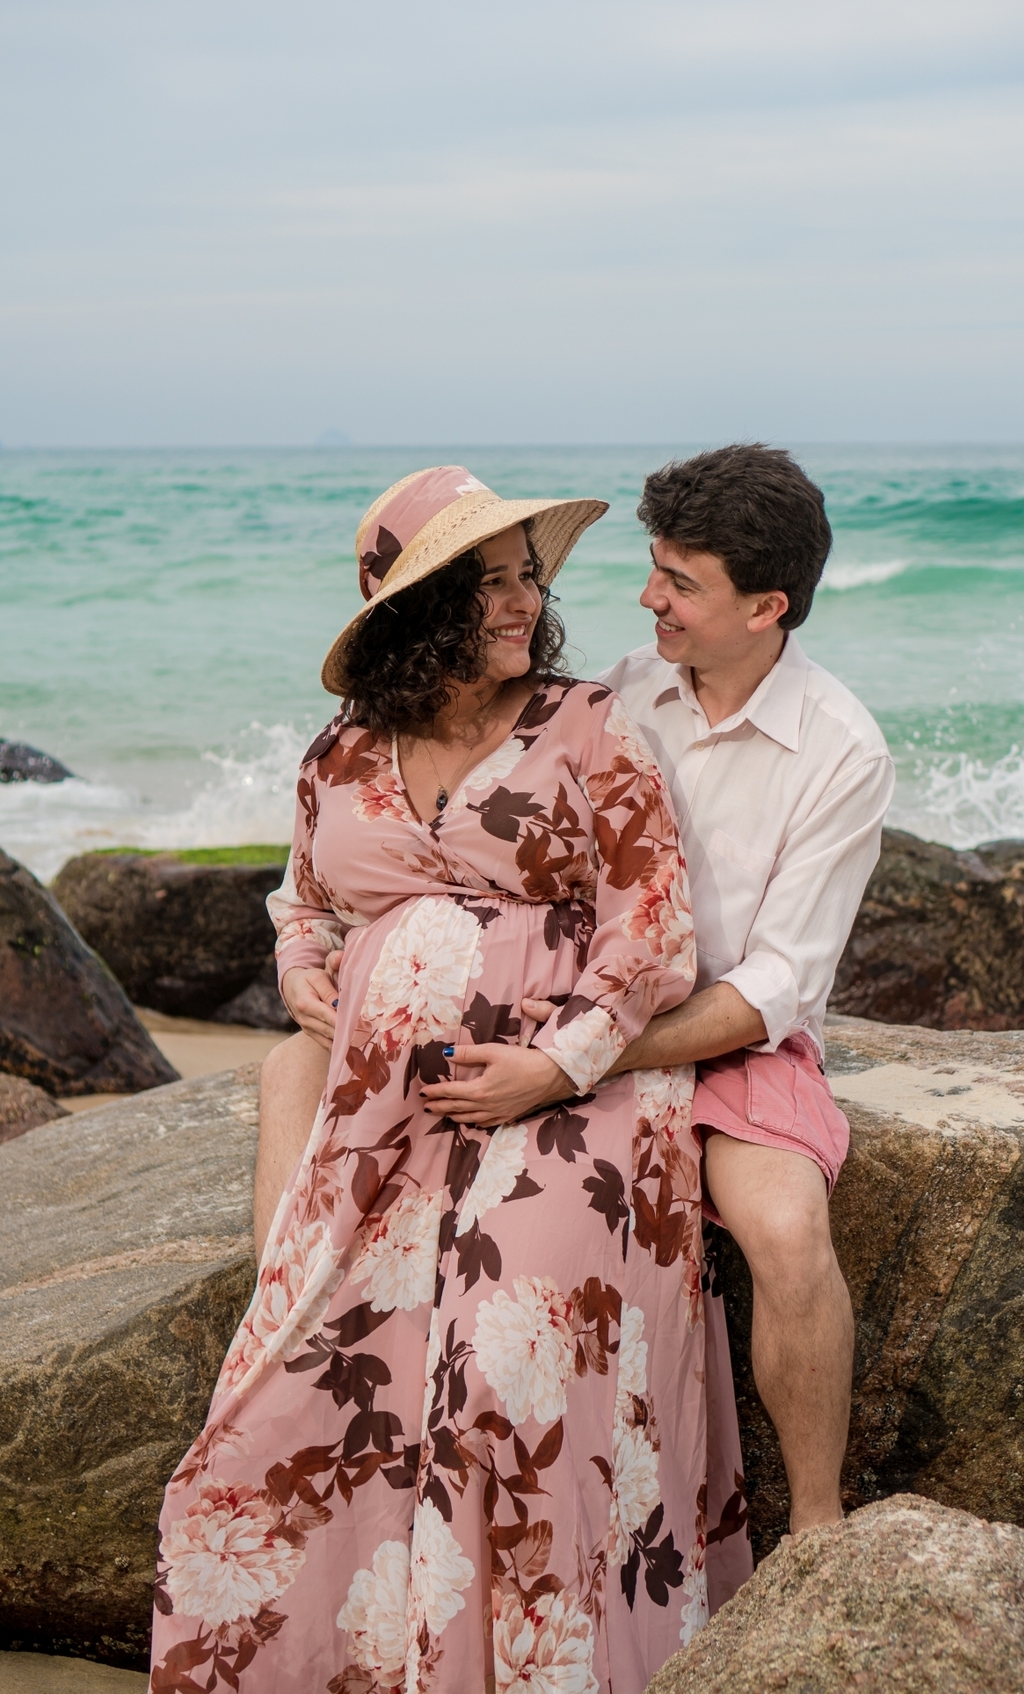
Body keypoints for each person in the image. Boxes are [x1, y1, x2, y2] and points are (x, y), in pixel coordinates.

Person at [151, 467, 751, 1694]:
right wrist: (304, 966)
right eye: (494, 581)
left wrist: (552, 1064)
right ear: (421, 611)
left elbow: (653, 930)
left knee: (503, 1377)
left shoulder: (591, 725)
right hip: (382, 1125)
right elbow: (302, 894)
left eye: (530, 574)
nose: (527, 598)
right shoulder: (343, 750)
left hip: (575, 1106)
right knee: (294, 1395)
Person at [256, 442, 894, 1538]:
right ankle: (292, 1372)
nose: (645, 596)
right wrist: (317, 964)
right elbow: (423, 850)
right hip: (553, 1026)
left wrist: (570, 1062)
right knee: (291, 1076)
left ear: (766, 606)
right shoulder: (626, 687)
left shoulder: (839, 751)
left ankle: (820, 1524)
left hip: (720, 1030)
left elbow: (778, 982)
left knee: (786, 1230)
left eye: (679, 582)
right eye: (652, 566)